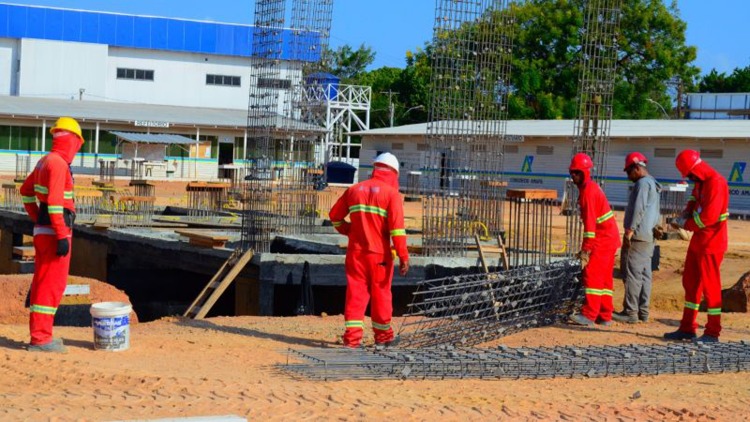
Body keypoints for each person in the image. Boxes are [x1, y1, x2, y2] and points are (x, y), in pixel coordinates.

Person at [329, 152, 409, 348]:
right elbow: (397, 230)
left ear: (376, 168)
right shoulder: (392, 195)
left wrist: (350, 231)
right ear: (393, 173)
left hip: (356, 253)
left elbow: (334, 216)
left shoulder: (354, 190)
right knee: (381, 293)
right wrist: (403, 256)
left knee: (356, 294)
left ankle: (352, 340)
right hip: (379, 255)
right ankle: (383, 338)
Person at [19, 117, 84, 353]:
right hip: (56, 232)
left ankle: (41, 335)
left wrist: (37, 218)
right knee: (51, 285)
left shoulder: (44, 161)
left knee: (43, 282)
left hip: (45, 229)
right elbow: (56, 204)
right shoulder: (57, 164)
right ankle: (41, 339)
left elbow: (26, 191)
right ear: (74, 141)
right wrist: (59, 235)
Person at [665, 149, 729, 343]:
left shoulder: (716, 183)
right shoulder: (701, 182)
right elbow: (694, 199)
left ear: (695, 170)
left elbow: (708, 217)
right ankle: (687, 327)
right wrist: (685, 214)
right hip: (699, 242)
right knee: (691, 283)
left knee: (710, 287)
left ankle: (712, 331)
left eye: (689, 175)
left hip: (712, 243)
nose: (690, 179)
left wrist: (686, 224)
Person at [567, 153, 621, 326]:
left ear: (585, 172)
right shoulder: (589, 188)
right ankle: (605, 315)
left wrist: (585, 250)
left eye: (576, 172)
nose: (573, 176)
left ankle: (589, 315)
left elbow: (590, 227)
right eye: (572, 172)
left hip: (602, 239)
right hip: (609, 238)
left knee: (593, 276)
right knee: (605, 279)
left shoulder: (588, 192)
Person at [613, 152, 661, 324]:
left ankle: (630, 312)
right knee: (645, 274)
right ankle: (643, 311)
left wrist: (629, 231)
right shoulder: (653, 183)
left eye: (628, 171)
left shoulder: (642, 184)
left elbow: (639, 209)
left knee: (633, 274)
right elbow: (655, 211)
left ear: (636, 168)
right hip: (649, 236)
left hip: (639, 236)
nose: (628, 176)